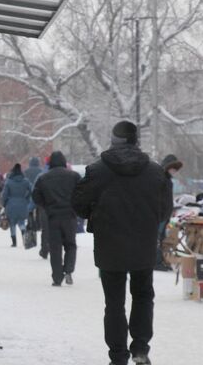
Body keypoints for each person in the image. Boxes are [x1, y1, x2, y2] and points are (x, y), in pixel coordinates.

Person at [72, 121, 171, 365]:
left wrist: (96, 215)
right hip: (143, 244)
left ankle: (117, 356)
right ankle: (140, 349)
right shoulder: (156, 172)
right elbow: (165, 209)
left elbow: (79, 203)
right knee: (143, 295)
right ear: (136, 140)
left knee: (114, 302)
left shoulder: (97, 171)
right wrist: (149, 224)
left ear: (113, 140)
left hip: (109, 245)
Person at [32, 151, 81, 286]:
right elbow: (83, 193)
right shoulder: (74, 176)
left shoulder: (43, 178)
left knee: (55, 247)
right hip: (70, 216)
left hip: (52, 217)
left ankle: (57, 277)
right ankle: (69, 270)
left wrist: (46, 206)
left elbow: (36, 196)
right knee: (70, 244)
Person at [155, 154, 182, 271]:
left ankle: (160, 260)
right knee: (157, 238)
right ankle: (157, 262)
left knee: (161, 238)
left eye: (175, 169)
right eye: (173, 169)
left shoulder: (166, 178)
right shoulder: (160, 178)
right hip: (159, 214)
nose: (174, 171)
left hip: (164, 214)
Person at [2, 163, 32, 247]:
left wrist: (4, 203)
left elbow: (4, 195)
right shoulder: (26, 181)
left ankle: (14, 242)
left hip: (10, 205)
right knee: (21, 222)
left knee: (12, 223)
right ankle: (24, 237)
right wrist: (27, 199)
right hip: (23, 204)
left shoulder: (9, 182)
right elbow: (31, 190)